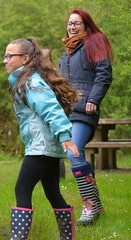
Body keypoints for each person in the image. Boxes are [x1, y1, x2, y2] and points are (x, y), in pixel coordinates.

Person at [3, 37, 80, 240]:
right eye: (5, 55)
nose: (5, 60)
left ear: (25, 58)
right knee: (53, 192)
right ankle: (67, 237)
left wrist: (65, 135)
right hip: (47, 147)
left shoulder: (30, 82)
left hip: (41, 146)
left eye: (10, 56)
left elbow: (50, 108)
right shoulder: (26, 80)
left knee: (22, 189)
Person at [59, 9, 113, 226]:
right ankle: (96, 205)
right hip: (67, 112)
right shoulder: (67, 51)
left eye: (77, 23)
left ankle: (90, 205)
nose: (72, 27)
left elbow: (104, 73)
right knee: (71, 155)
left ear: (86, 24)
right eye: (70, 23)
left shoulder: (95, 42)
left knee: (74, 154)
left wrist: (94, 99)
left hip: (85, 110)